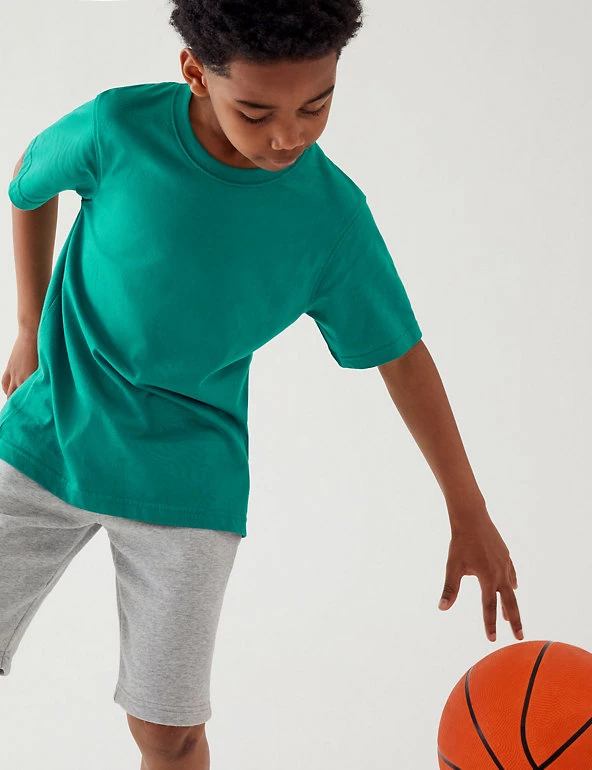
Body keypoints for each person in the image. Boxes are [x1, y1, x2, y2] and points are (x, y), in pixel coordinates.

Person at [0, 1, 524, 768]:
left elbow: (403, 356)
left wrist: (467, 509)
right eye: (256, 112)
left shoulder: (330, 219)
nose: (288, 136)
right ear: (194, 73)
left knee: (169, 734)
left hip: (188, 482)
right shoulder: (118, 130)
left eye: (317, 106)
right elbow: (28, 183)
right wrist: (30, 323)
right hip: (48, 435)